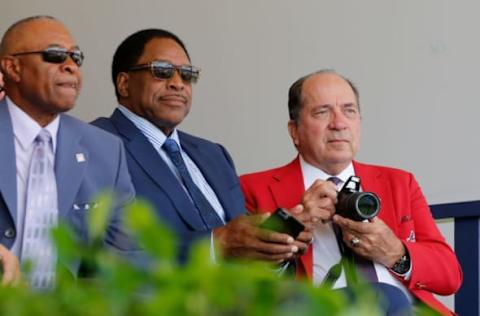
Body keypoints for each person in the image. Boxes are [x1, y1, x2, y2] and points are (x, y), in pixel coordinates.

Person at [240, 70, 462, 315]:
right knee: (381, 298)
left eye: (349, 111)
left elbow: (450, 275)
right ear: (294, 131)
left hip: (409, 311)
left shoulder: (399, 182)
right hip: (322, 309)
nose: (339, 123)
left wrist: (395, 253)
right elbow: (242, 287)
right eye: (322, 112)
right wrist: (295, 221)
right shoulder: (252, 188)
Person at [92, 28, 311, 264]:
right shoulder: (95, 145)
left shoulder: (213, 154)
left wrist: (272, 248)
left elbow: (240, 248)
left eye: (187, 74)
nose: (178, 83)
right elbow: (108, 247)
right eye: (162, 71)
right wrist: (215, 245)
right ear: (124, 83)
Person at [0, 16, 136, 288]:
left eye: (76, 58)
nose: (71, 66)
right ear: (13, 67)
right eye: (56, 55)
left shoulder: (106, 150)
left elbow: (128, 254)